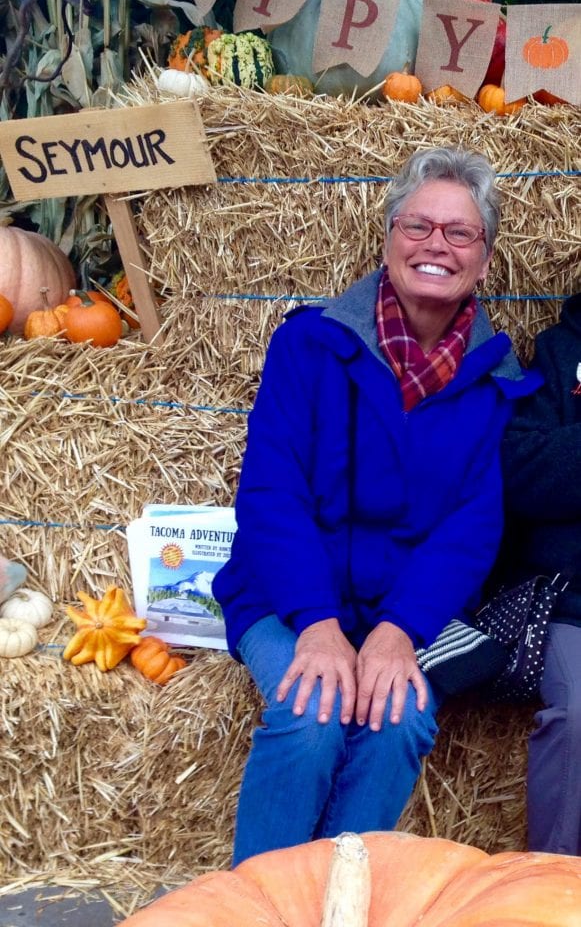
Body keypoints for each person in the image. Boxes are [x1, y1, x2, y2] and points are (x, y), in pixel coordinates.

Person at [212, 146, 538, 866]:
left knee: (398, 717)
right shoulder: (311, 344)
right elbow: (272, 492)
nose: (434, 245)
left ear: (482, 262)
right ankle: (256, 903)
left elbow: (470, 527)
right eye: (416, 226)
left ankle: (343, 901)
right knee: (310, 713)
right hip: (286, 597)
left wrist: (397, 632)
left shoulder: (495, 380)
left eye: (458, 234)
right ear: (388, 239)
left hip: (401, 607)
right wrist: (319, 626)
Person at [501, 292, 581, 855]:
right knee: (579, 716)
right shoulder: (560, 355)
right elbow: (517, 473)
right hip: (575, 604)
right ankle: (550, 892)